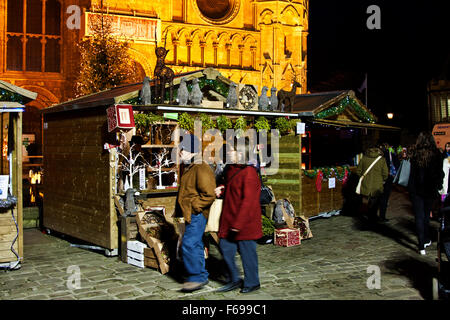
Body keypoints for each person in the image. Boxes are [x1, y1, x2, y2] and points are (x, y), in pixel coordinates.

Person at [214, 139, 263, 293]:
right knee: (225, 248)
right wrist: (222, 189)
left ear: (241, 153)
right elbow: (231, 188)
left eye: (232, 150)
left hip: (244, 223)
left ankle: (252, 282)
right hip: (230, 220)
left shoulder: (249, 174)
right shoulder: (231, 169)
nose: (229, 152)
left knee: (248, 255)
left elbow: (249, 202)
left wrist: (238, 225)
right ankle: (234, 279)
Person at [176, 133, 216, 292]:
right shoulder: (192, 166)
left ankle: (196, 277)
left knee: (189, 243)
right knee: (196, 243)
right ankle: (201, 274)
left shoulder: (200, 167)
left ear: (191, 151)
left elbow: (209, 194)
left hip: (197, 214)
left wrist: (195, 206)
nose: (179, 153)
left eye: (182, 150)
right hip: (191, 213)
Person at [408, 132, 444, 255]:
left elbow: (412, 174)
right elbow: (440, 173)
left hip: (416, 189)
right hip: (430, 188)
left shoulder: (415, 154)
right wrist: (439, 185)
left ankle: (421, 245)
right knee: (426, 216)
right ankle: (425, 239)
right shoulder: (437, 154)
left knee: (419, 216)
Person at [356, 145, 388, 223]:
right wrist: (383, 180)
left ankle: (370, 216)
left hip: (366, 184)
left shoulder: (364, 158)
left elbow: (358, 171)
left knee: (368, 201)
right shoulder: (382, 160)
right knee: (375, 202)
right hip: (377, 185)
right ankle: (372, 218)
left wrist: (363, 178)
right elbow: (385, 173)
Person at [378, 143, 400, 222]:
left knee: (376, 197)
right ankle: (382, 216)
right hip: (387, 178)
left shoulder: (376, 154)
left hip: (377, 178)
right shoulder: (391, 154)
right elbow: (397, 164)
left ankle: (373, 215)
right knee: (384, 197)